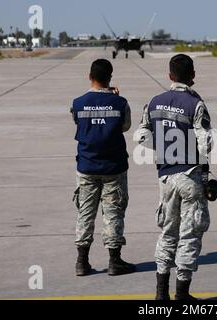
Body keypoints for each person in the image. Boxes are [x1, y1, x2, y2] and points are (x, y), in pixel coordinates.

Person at [137, 54, 213, 300]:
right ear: (193, 76)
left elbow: (140, 135)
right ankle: (182, 293)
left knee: (168, 232)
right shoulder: (195, 104)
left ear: (170, 76)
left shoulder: (154, 102)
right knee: (189, 235)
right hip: (190, 177)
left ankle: (161, 293)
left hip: (166, 178)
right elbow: (206, 142)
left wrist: (162, 148)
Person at [71, 59, 136, 277]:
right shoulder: (121, 103)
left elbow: (78, 122)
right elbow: (125, 126)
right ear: (110, 78)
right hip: (114, 167)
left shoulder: (78, 103)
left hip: (86, 167)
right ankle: (114, 261)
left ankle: (82, 261)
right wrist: (113, 99)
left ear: (90, 76)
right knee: (113, 212)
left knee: (85, 213)